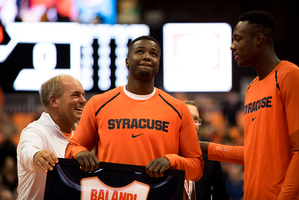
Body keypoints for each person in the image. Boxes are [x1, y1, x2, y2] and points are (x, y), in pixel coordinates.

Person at [65, 35, 204, 183]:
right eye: (140, 52)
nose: (147, 57)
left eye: (153, 54)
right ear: (127, 61)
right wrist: (80, 152)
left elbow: (196, 169)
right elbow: (72, 148)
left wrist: (172, 161)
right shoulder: (98, 104)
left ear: (158, 64)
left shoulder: (179, 109)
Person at [199, 10, 299, 200]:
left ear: (258, 39)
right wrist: (204, 147)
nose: (232, 46)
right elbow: (254, 154)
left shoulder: (290, 76)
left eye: (237, 39)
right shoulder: (251, 88)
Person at [16, 74, 86, 200]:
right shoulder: (35, 130)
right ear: (54, 101)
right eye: (76, 95)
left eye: (83, 95)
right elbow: (27, 151)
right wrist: (36, 155)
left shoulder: (81, 134)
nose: (83, 100)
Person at [184, 101, 229, 200]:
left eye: (195, 120)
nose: (192, 123)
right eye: (187, 117)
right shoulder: (163, 153)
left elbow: (222, 196)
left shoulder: (210, 158)